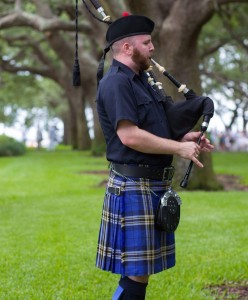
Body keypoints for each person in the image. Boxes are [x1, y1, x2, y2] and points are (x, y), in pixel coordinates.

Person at [95, 14, 214, 300]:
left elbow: (153, 126)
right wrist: (178, 149)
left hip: (150, 186)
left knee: (138, 274)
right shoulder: (116, 83)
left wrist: (183, 137)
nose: (153, 48)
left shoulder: (142, 81)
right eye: (146, 43)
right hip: (133, 186)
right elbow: (130, 136)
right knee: (136, 275)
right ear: (126, 48)